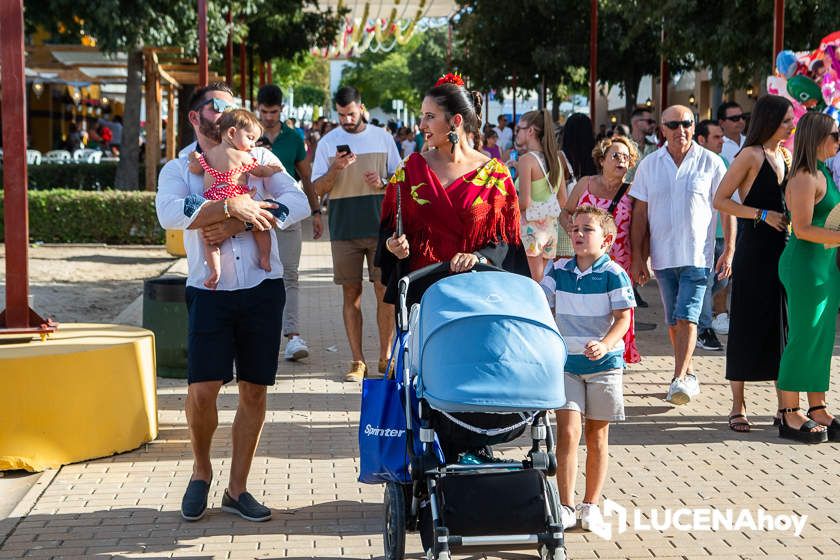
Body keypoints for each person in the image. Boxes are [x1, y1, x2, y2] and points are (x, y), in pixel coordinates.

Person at [155, 82, 309, 522]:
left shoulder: (261, 157)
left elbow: (295, 201)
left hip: (263, 285)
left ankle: (237, 488)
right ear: (196, 117)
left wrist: (240, 222)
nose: (225, 110)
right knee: (202, 390)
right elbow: (171, 213)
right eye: (214, 105)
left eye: (229, 104)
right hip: (209, 290)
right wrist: (232, 207)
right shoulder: (181, 166)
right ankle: (201, 471)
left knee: (255, 391)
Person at [378, 73, 527, 296]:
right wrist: (393, 245)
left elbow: (505, 242)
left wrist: (476, 256)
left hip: (478, 291)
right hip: (423, 292)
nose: (421, 125)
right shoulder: (409, 170)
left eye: (430, 116)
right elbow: (389, 229)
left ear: (456, 121)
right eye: (422, 116)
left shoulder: (495, 175)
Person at [631, 105, 734, 405]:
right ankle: (687, 371)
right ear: (662, 129)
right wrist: (639, 257)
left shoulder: (712, 163)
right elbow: (640, 214)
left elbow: (727, 209)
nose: (681, 130)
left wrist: (729, 248)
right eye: (673, 125)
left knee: (688, 316)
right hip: (662, 258)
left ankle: (678, 379)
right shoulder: (650, 165)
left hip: (697, 256)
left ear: (694, 125)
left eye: (687, 123)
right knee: (674, 321)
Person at [541, 205, 634, 532]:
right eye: (575, 229)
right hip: (566, 364)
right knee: (567, 433)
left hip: (603, 367)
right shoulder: (557, 271)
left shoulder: (614, 274)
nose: (578, 234)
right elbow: (541, 305)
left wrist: (606, 344)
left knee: (597, 435)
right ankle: (565, 505)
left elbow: (624, 318)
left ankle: (590, 504)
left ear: (606, 239)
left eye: (587, 230)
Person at [713, 95, 794, 432]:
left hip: (783, 250)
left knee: (781, 325)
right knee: (746, 323)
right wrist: (760, 213)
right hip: (753, 250)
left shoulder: (786, 156)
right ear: (771, 120)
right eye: (787, 119)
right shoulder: (749, 155)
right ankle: (737, 405)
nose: (791, 124)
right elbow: (720, 199)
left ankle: (784, 405)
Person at [312, 86, 401, 382]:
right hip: (344, 229)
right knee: (351, 293)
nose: (346, 119)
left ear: (362, 108)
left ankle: (385, 357)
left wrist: (383, 182)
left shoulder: (383, 138)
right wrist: (335, 169)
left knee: (383, 292)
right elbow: (317, 189)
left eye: (350, 113)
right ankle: (357, 360)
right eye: (340, 114)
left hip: (381, 230)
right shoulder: (328, 143)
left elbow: (400, 182)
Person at [776, 112, 840, 443]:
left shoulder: (823, 171)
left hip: (825, 265)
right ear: (817, 138)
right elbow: (800, 229)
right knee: (804, 337)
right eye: (835, 135)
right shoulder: (804, 176)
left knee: (821, 337)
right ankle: (789, 413)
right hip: (804, 266)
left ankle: (817, 407)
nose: (838, 141)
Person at [256, 84, 323, 362]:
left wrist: (316, 210)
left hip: (286, 214)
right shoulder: (247, 133)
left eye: (273, 112)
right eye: (263, 111)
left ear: (281, 109)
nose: (268, 117)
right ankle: (258, 334)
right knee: (257, 275)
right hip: (253, 214)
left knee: (290, 275)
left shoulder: (294, 138)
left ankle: (293, 336)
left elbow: (305, 177)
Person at [563, 136, 641, 365]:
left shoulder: (633, 192)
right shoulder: (585, 183)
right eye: (615, 155)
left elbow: (641, 228)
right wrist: (572, 230)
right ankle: (587, 349)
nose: (621, 160)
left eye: (626, 157)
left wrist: (640, 260)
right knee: (586, 304)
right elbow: (566, 211)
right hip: (585, 258)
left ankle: (618, 355)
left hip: (620, 259)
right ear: (602, 159)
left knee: (620, 308)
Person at [187, 108, 284, 289]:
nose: (253, 145)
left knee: (210, 240)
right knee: (260, 228)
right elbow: (260, 171)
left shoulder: (208, 155)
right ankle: (264, 257)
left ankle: (215, 271)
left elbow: (194, 169)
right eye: (250, 138)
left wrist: (194, 158)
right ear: (232, 133)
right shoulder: (243, 156)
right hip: (239, 199)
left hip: (213, 203)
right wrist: (273, 169)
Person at [515, 109, 566, 282]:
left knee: (534, 282)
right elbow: (563, 199)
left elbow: (525, 202)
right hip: (551, 227)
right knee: (540, 279)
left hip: (531, 228)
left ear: (530, 131)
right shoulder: (557, 159)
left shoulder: (527, 160)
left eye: (519, 129)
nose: (517, 133)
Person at [695, 119, 732, 344]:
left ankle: (694, 313)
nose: (722, 140)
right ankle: (704, 330)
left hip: (722, 233)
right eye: (717, 137)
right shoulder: (694, 164)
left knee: (722, 282)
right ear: (702, 139)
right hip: (703, 234)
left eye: (722, 136)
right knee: (707, 282)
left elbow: (730, 200)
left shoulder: (724, 161)